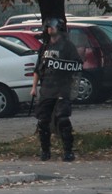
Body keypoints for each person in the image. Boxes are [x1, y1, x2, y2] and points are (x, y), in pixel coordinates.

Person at [30, 17, 83, 162]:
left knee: (63, 119)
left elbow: (77, 65)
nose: (49, 29)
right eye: (47, 27)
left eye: (51, 26)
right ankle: (45, 151)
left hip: (62, 88)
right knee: (43, 120)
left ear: (58, 28)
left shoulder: (67, 46)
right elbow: (38, 69)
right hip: (47, 88)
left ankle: (68, 151)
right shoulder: (45, 47)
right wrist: (34, 87)